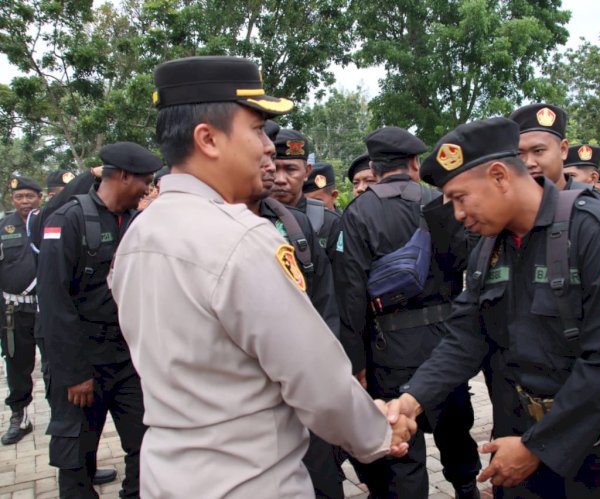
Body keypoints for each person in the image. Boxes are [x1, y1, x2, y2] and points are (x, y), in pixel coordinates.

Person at [109, 55, 414, 498]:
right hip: (249, 480)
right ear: (208, 139)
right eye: (255, 130)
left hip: (168, 476)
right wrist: (381, 435)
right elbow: (318, 382)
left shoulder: (140, 235)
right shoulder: (240, 238)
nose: (269, 148)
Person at [387, 117, 600, 498]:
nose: (457, 214)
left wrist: (539, 446)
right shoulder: (489, 246)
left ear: (500, 176)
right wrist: (412, 399)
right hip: (522, 442)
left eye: (459, 197)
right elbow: (466, 335)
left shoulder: (596, 231)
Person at [335, 125, 481, 498]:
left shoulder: (357, 213)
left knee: (402, 449)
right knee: (454, 432)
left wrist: (356, 363)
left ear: (374, 166)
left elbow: (350, 296)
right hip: (444, 345)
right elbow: (463, 261)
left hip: (389, 349)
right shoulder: (440, 200)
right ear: (415, 163)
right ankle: (467, 490)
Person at [37, 141, 162, 498]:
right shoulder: (70, 220)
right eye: (144, 181)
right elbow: (54, 303)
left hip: (126, 361)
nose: (148, 189)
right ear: (122, 176)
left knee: (146, 448)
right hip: (82, 364)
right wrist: (75, 374)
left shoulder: (135, 220)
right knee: (75, 460)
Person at [252, 120, 345, 498]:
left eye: (287, 166)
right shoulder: (202, 224)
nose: (275, 175)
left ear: (307, 172)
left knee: (322, 477)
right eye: (269, 163)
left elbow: (333, 307)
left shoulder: (305, 225)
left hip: (306, 389)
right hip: (247, 403)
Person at [0, 176, 42, 445]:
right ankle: (20, 415)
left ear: (40, 197)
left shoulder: (51, 220)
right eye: (19, 197)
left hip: (46, 308)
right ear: (12, 200)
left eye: (30, 196)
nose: (25, 201)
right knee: (16, 363)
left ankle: (66, 415)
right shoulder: (4, 226)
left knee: (57, 364)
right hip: (13, 310)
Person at [272, 129, 342, 262]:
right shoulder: (250, 216)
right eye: (274, 169)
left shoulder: (329, 223)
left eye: (290, 169)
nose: (280, 179)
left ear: (306, 172)